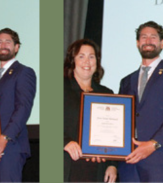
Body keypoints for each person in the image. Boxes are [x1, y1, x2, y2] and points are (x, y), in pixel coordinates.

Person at [0, 28, 36, 182]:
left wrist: (4, 138)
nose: (3, 44)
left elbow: (23, 108)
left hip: (11, 146)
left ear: (16, 47)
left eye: (7, 41)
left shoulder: (24, 72)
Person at [118, 21, 163, 182]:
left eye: (153, 37)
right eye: (144, 37)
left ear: (162, 43)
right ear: (137, 43)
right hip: (128, 164)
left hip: (159, 162)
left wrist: (153, 144)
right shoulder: (126, 81)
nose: (148, 41)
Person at [63, 39, 117, 182]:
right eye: (81, 56)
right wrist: (65, 142)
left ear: (97, 61)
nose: (87, 62)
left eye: (91, 56)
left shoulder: (107, 93)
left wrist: (112, 165)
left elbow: (114, 134)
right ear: (72, 61)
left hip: (96, 168)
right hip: (66, 164)